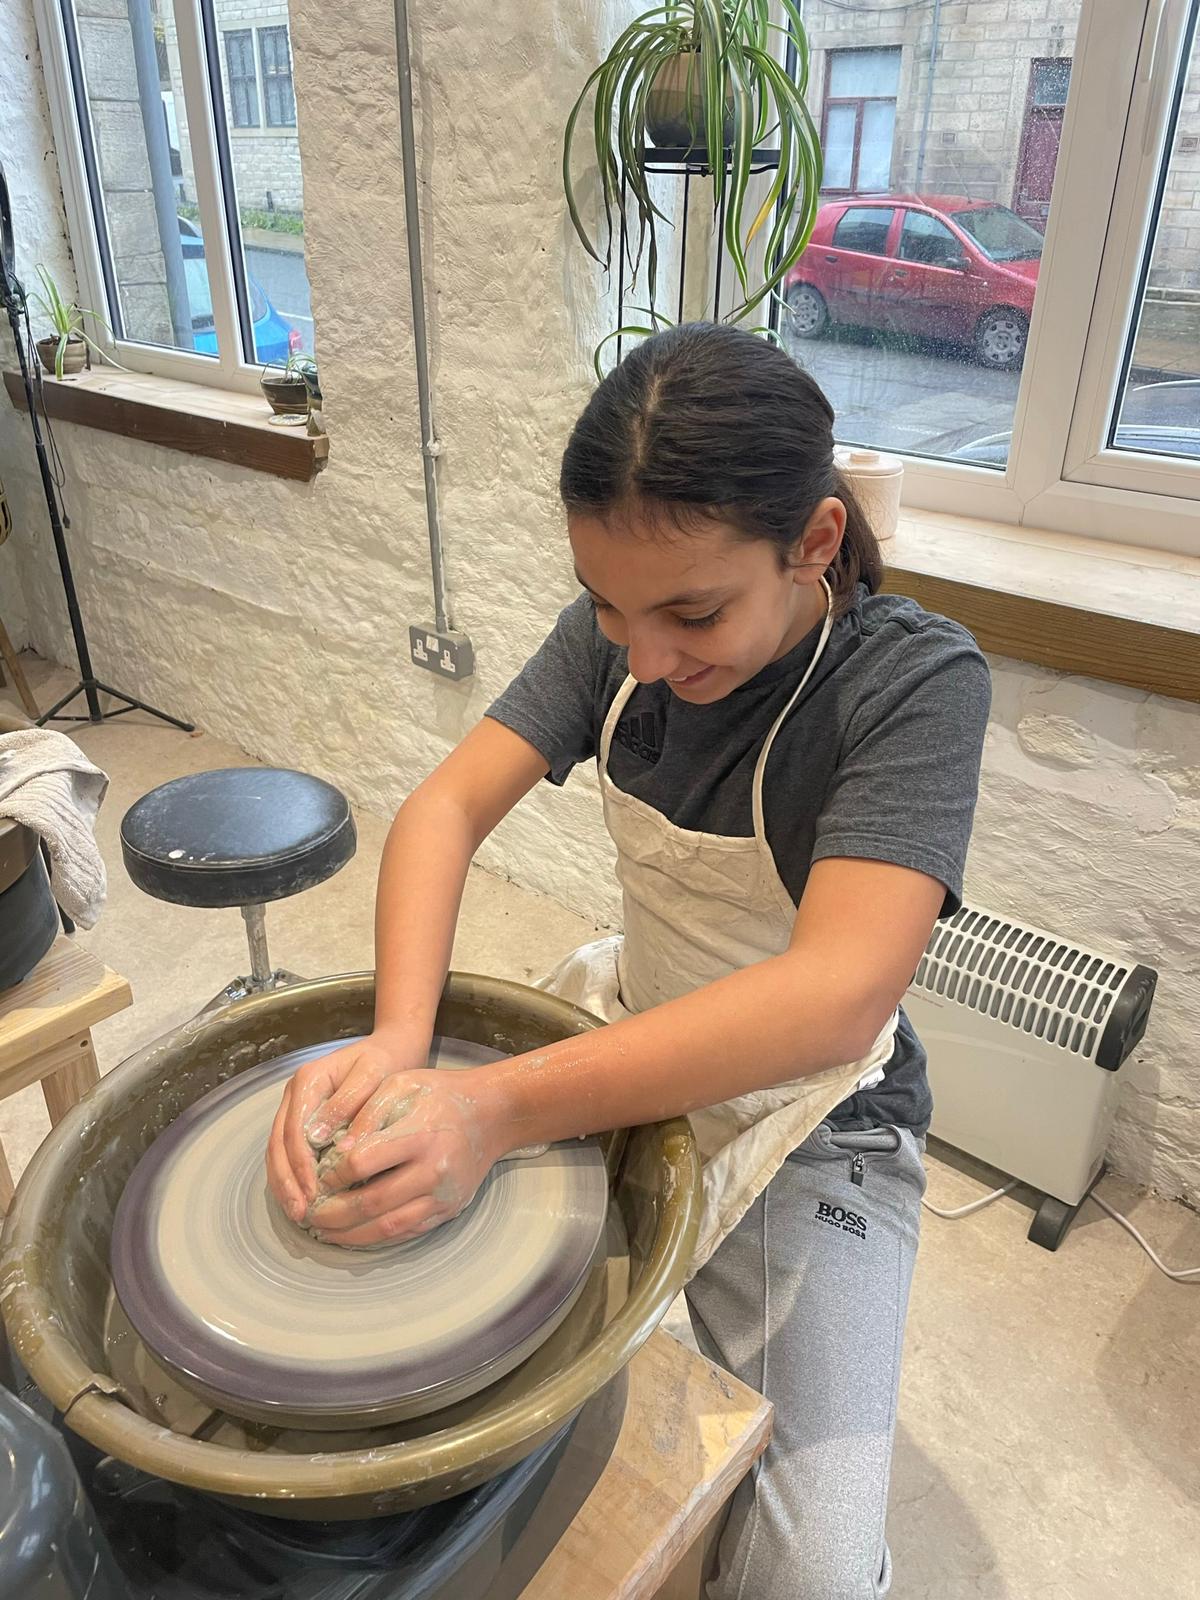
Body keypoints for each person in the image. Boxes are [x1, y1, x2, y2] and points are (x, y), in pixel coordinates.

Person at [267, 322, 991, 1599]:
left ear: (814, 542)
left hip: (818, 1116)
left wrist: (494, 1102)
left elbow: (837, 998)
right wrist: (394, 1040)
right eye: (611, 605)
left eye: (693, 611)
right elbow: (442, 813)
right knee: (454, 1441)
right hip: (629, 1036)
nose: (645, 656)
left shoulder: (912, 684)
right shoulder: (615, 637)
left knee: (807, 1576)